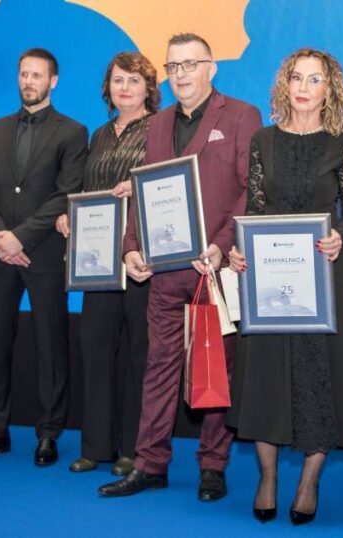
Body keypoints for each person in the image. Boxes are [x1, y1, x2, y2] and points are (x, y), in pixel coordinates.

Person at [98, 33, 262, 501]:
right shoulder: (158, 123)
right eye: (173, 66)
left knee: (215, 371)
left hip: (216, 269)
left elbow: (251, 190)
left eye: (191, 64)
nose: (181, 74)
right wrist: (131, 246)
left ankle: (213, 466)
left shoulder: (242, 115)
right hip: (166, 272)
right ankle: (150, 464)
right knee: (158, 369)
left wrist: (221, 244)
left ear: (212, 68)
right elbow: (145, 188)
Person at [224, 48, 343, 525]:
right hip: (269, 277)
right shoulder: (263, 140)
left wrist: (340, 235)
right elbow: (254, 208)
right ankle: (268, 478)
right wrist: (239, 250)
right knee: (266, 377)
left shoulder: (342, 143)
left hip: (323, 275)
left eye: (315, 80)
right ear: (284, 85)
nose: (304, 88)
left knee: (321, 378)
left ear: (329, 90)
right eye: (297, 78)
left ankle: (309, 482)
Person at [0, 48, 88, 466]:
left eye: (36, 75)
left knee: (51, 345)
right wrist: (1, 236)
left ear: (53, 81)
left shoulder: (73, 132)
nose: (28, 81)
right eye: (23, 74)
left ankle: (48, 433)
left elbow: (66, 193)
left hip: (43, 253)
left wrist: (21, 238)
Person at [54, 52, 159, 476]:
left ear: (149, 88)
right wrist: (68, 216)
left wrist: (138, 188)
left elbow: (169, 187)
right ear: (107, 88)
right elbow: (86, 190)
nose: (125, 88)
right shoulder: (98, 135)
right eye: (118, 80)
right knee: (94, 346)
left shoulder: (161, 129)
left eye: (134, 80)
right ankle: (96, 445)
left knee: (138, 352)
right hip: (98, 260)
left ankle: (134, 448)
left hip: (140, 258)